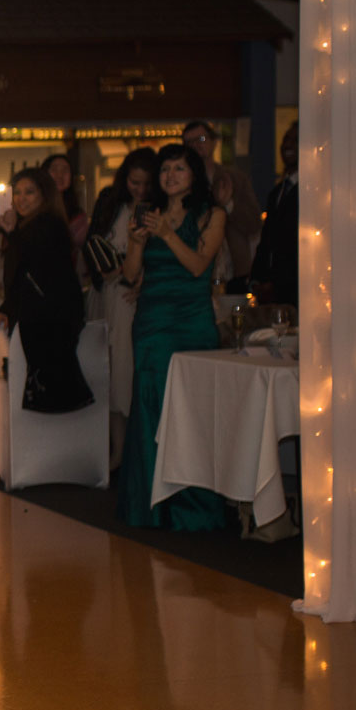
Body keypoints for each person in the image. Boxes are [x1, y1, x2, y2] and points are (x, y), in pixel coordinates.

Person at [116, 145, 230, 530]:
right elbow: (131, 275)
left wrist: (166, 233)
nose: (170, 175)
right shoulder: (148, 214)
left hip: (192, 321)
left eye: (179, 168)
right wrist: (136, 242)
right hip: (152, 321)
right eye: (165, 169)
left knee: (191, 411)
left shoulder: (212, 215)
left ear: (194, 174)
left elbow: (199, 266)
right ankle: (149, 505)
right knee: (151, 406)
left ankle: (192, 508)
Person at [0, 168, 92, 414]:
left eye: (29, 192)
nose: (21, 198)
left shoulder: (47, 226)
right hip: (43, 320)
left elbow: (31, 266)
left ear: (44, 195)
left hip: (49, 323)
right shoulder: (30, 226)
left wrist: (11, 233)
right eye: (16, 192)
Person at [88, 147, 158, 466]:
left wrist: (139, 276)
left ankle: (133, 448)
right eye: (134, 183)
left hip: (134, 295)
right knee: (109, 367)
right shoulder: (109, 202)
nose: (140, 190)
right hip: (107, 293)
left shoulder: (158, 210)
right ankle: (116, 448)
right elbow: (92, 241)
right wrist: (102, 269)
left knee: (126, 368)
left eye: (145, 184)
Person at [182, 121, 258, 290]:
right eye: (189, 142)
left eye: (201, 138)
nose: (196, 145)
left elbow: (254, 223)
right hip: (193, 269)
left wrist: (228, 205)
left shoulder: (235, 178)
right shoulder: (180, 182)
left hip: (234, 269)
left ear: (214, 141)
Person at [248, 122, 299, 307]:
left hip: (294, 292)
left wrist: (277, 285)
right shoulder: (277, 193)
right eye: (286, 139)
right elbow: (267, 240)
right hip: (270, 294)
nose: (288, 145)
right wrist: (256, 281)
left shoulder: (312, 193)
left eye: (296, 140)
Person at [41, 151, 90, 256]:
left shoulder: (77, 215)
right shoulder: (35, 209)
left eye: (65, 170)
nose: (60, 175)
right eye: (54, 169)